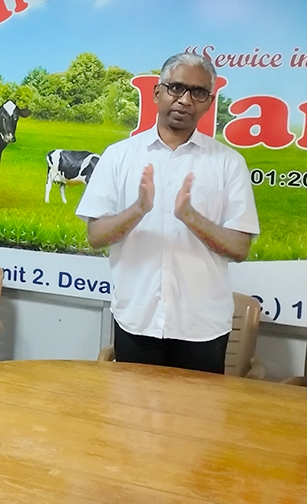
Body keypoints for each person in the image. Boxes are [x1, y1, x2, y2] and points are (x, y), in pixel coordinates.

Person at [76, 52, 259, 373]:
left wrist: (191, 218)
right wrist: (138, 210)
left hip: (202, 326)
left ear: (209, 102)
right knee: (133, 405)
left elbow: (240, 248)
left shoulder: (229, 163)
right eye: (176, 88)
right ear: (157, 92)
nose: (185, 100)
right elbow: (95, 236)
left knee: (198, 407)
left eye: (198, 92)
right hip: (137, 318)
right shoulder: (119, 156)